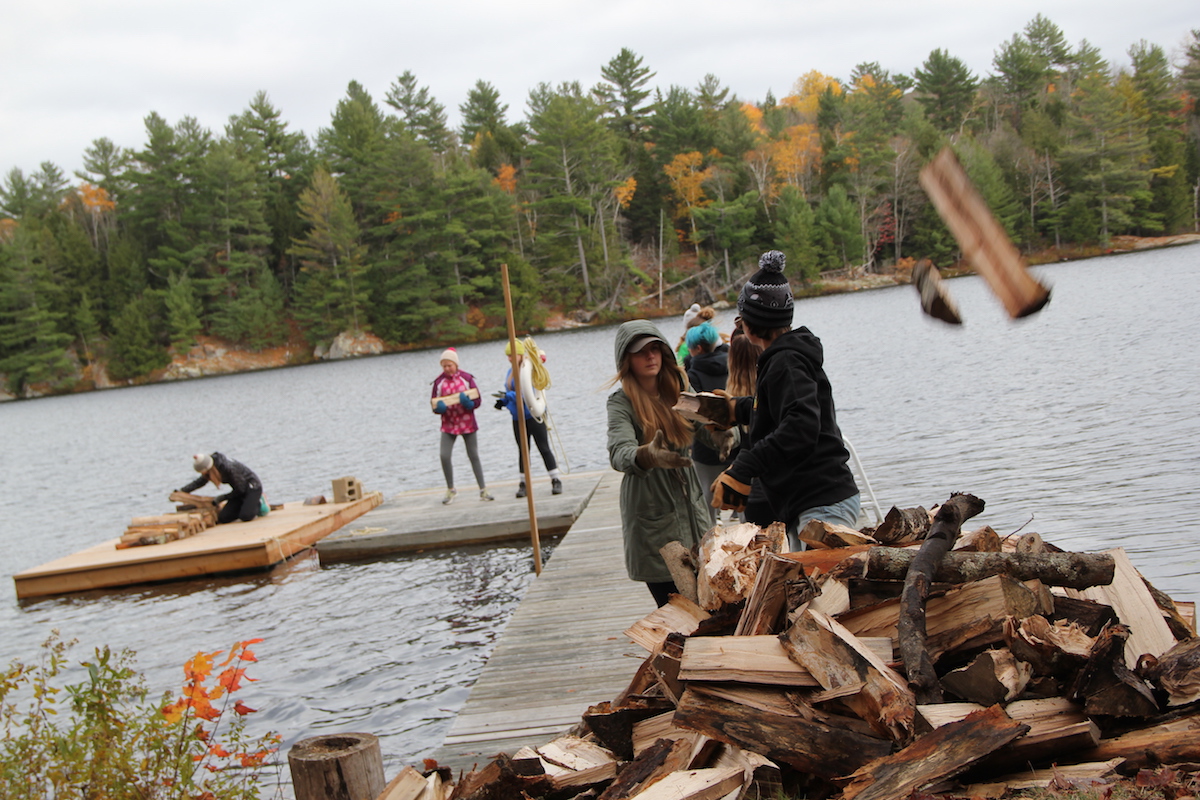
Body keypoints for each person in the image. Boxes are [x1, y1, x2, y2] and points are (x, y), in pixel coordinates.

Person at [710, 250, 860, 550]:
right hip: (809, 502)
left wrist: (744, 466)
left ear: (748, 325)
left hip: (822, 504)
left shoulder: (787, 362)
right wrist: (736, 409)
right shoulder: (785, 357)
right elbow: (781, 410)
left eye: (741, 319)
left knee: (824, 594)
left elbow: (801, 425)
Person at [607, 320, 731, 607]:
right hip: (652, 518)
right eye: (641, 352)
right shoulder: (620, 403)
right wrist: (648, 454)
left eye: (655, 348)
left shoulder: (679, 386)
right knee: (678, 612)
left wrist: (724, 432)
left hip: (692, 511)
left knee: (711, 606)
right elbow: (618, 452)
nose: (650, 356)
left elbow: (705, 427)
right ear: (627, 359)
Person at [684, 321, 736, 522]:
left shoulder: (693, 375)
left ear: (697, 348)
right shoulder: (732, 364)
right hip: (735, 440)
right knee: (740, 492)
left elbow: (692, 411)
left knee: (707, 497)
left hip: (706, 446)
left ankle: (710, 538)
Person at [496, 339, 562, 497]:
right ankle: (524, 483)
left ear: (520, 354)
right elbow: (512, 392)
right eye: (508, 356)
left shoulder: (529, 370)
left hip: (533, 414)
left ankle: (555, 480)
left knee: (543, 447)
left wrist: (509, 396)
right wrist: (503, 401)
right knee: (523, 451)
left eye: (512, 355)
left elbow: (527, 393)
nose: (510, 358)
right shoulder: (510, 372)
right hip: (518, 417)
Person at [431, 347, 494, 505]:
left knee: (473, 455)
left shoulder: (466, 379)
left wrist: (469, 404)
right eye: (444, 366)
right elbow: (433, 404)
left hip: (467, 423)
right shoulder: (439, 382)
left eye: (449, 365)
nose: (447, 369)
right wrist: (439, 409)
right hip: (449, 424)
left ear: (456, 364)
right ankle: (451, 489)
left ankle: (483, 489)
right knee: (444, 455)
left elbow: (478, 400)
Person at [177, 452, 265, 524]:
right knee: (224, 518)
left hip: (252, 487)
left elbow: (241, 489)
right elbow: (199, 482)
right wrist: (182, 491)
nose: (203, 475)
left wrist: (222, 498)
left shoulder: (228, 468)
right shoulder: (211, 469)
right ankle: (246, 505)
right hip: (239, 491)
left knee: (246, 516)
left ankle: (258, 502)